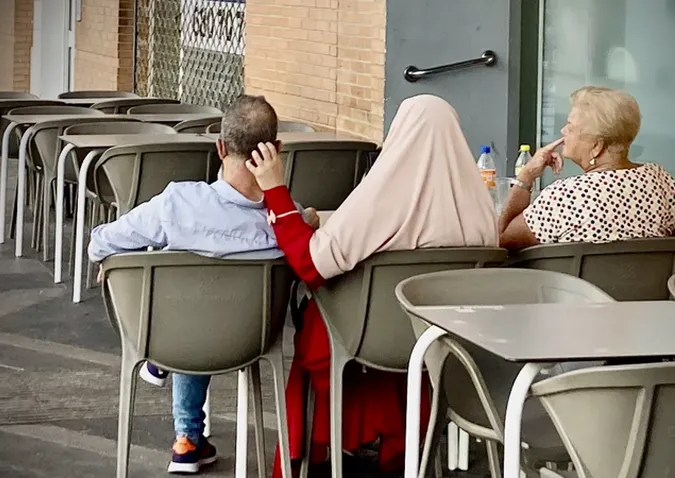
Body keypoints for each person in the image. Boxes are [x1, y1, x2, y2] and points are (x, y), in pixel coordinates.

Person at [244, 95, 498, 477]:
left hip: (356, 341)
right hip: (438, 348)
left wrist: (276, 192)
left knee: (314, 322)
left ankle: (312, 454)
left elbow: (311, 264)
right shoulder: (482, 213)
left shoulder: (381, 199)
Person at [88, 95, 316, 474]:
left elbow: (101, 242)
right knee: (208, 311)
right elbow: (308, 244)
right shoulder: (286, 224)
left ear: (221, 148)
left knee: (193, 310)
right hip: (252, 338)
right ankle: (186, 433)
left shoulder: (177, 203)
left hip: (177, 337)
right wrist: (307, 217)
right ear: (276, 150)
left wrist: (113, 263)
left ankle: (187, 437)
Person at [499, 86, 675, 250]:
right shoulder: (659, 179)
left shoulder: (564, 196)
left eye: (571, 127)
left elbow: (500, 240)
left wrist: (527, 175)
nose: (563, 131)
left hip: (574, 284)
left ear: (597, 146)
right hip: (648, 284)